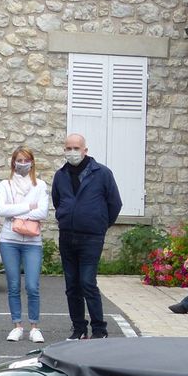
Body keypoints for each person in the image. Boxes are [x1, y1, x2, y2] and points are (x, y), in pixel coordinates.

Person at [52, 133, 122, 340]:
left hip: (91, 237)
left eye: (76, 148)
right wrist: (65, 216)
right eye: (68, 148)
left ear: (85, 150)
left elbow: (115, 204)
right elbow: (57, 200)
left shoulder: (102, 173)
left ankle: (99, 329)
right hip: (67, 236)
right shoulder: (60, 175)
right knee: (72, 285)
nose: (72, 152)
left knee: (87, 282)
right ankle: (79, 328)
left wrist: (100, 224)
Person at [0, 146, 50, 343]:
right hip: (9, 240)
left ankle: (34, 327)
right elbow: (1, 209)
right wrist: (28, 207)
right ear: (13, 162)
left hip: (33, 242)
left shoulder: (40, 185)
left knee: (32, 286)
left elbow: (43, 212)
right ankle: (17, 325)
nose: (23, 164)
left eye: (27, 160)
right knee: (13, 285)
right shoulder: (5, 185)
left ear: (32, 163)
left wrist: (15, 211)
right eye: (19, 160)